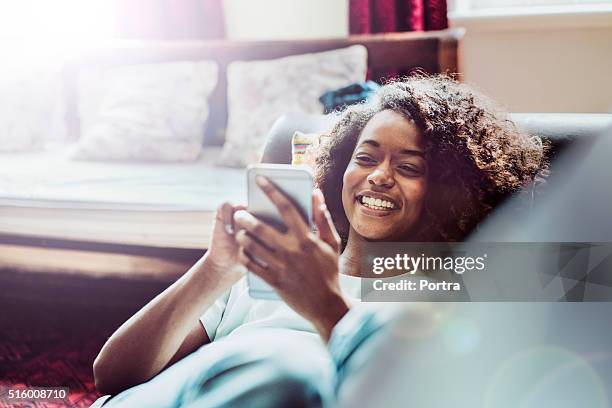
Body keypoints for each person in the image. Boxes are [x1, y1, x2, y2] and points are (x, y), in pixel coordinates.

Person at [93, 75, 545, 407]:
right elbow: (113, 376)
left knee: (290, 375)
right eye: (364, 158)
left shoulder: (449, 287)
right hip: (182, 395)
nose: (378, 177)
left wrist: (325, 304)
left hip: (279, 393)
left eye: (409, 168)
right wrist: (214, 271)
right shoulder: (278, 261)